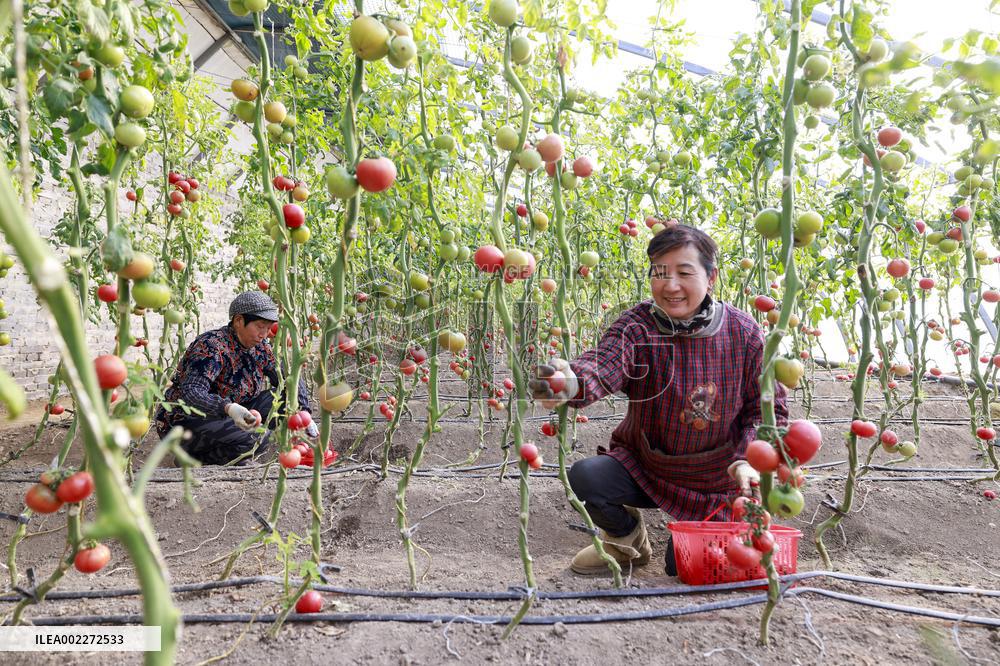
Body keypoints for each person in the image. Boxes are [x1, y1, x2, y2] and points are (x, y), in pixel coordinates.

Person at [530, 225, 788, 575]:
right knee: (587, 477)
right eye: (660, 274)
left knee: (683, 568)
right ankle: (626, 542)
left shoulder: (745, 334)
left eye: (685, 273)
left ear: (710, 278)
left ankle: (691, 533)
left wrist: (748, 460)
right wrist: (567, 382)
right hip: (647, 465)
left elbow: (767, 410)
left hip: (718, 480)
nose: (670, 286)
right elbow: (604, 363)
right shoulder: (638, 327)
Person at [154, 291, 315, 465]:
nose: (265, 334)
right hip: (188, 421)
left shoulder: (260, 348)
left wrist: (303, 412)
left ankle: (230, 447)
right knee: (259, 437)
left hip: (232, 412)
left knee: (285, 398)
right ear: (238, 321)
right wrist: (227, 408)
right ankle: (196, 459)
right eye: (260, 326)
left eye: (269, 328)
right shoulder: (212, 347)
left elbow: (288, 378)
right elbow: (192, 393)